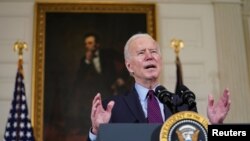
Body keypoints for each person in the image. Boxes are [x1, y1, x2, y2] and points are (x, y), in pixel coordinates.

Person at [87, 33, 231, 140]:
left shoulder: (182, 104)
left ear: (160, 61)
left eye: (154, 51)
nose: (149, 56)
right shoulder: (113, 107)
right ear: (129, 66)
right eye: (141, 53)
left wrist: (216, 127)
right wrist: (96, 131)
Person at [67, 32, 130, 134]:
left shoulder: (108, 53)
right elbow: (79, 79)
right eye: (86, 44)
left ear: (97, 44)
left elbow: (128, 62)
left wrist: (122, 78)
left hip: (115, 89)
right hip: (97, 93)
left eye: (90, 43)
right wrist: (87, 61)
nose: (87, 46)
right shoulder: (84, 60)